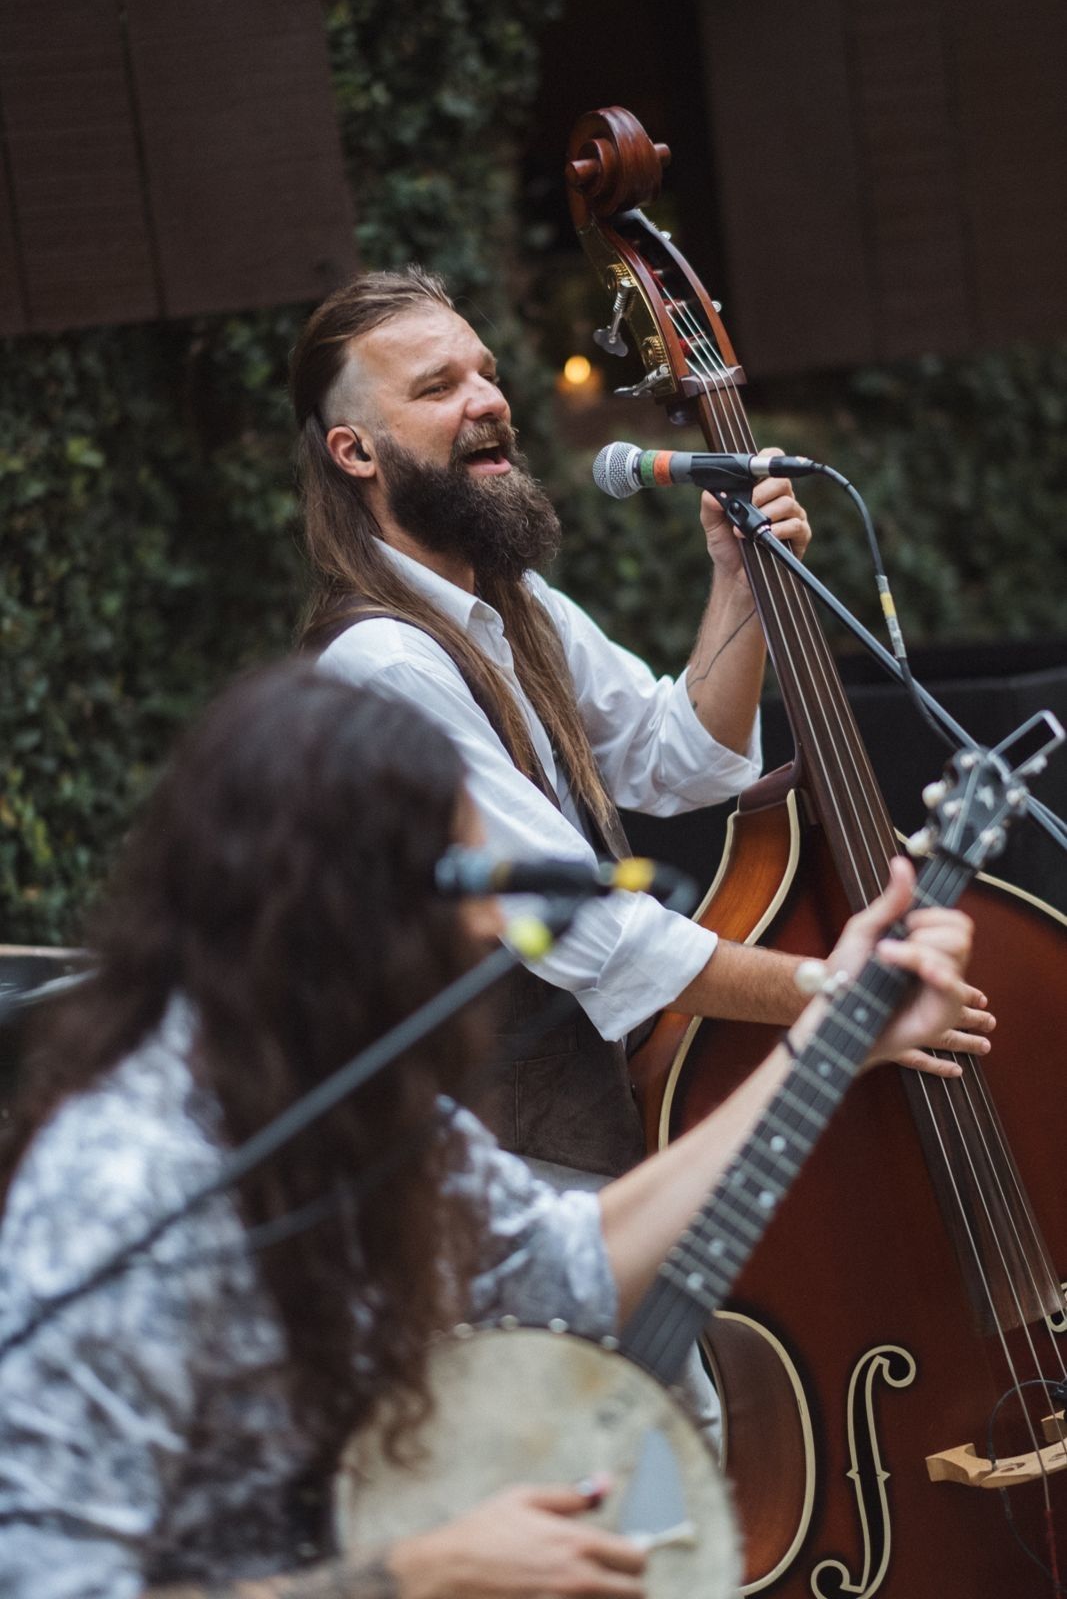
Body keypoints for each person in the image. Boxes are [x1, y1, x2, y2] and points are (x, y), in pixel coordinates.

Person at [0, 664, 974, 1599]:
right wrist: (417, 1576)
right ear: (332, 906)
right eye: (457, 881)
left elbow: (573, 1266)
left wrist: (828, 1037)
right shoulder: (128, 1182)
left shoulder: (358, 1105)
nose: (482, 927)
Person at [289, 267, 994, 1182]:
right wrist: (845, 996)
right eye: (437, 387)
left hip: (580, 1153)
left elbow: (682, 760)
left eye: (486, 372)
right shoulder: (382, 666)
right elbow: (592, 930)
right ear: (356, 452)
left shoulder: (516, 607)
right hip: (475, 1187)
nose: (487, 401)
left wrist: (740, 581)